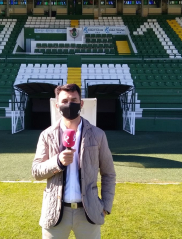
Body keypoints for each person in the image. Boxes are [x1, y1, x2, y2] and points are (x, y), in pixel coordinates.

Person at [32, 84, 116, 239]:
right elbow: (36, 171)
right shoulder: (47, 135)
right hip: (55, 212)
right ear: (57, 105)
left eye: (74, 99)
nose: (69, 104)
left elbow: (108, 173)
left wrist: (106, 205)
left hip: (88, 212)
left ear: (81, 103)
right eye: (64, 101)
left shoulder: (97, 135)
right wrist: (57, 161)